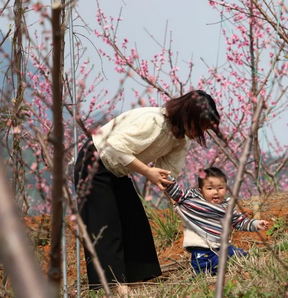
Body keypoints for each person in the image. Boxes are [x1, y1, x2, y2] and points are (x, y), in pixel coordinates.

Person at [74, 90, 224, 288]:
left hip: (117, 170)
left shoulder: (181, 141)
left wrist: (181, 201)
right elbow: (113, 147)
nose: (200, 133)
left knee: (135, 223)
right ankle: (114, 287)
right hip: (94, 162)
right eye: (201, 126)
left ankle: (139, 281)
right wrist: (147, 171)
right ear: (188, 116)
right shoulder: (154, 122)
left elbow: (167, 175)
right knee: (105, 225)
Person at [163, 167, 269, 275]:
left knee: (241, 256)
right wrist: (167, 178)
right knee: (204, 269)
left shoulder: (227, 207)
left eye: (220, 188)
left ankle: (223, 266)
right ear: (201, 191)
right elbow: (177, 193)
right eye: (210, 188)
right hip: (202, 251)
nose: (216, 192)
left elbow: (239, 221)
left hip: (223, 248)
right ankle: (203, 272)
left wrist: (255, 224)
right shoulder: (193, 200)